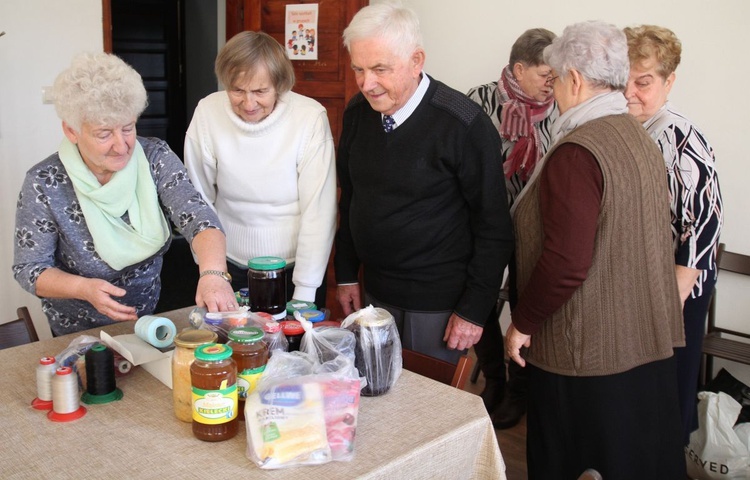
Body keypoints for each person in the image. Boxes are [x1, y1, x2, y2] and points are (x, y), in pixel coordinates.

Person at [505, 21, 686, 479]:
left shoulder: (578, 150)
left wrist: (522, 323)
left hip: (586, 352)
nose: (554, 91)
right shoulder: (636, 135)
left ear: (576, 80)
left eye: (556, 79)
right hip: (638, 340)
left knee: (574, 462)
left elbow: (566, 262)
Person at [334, 3, 514, 364]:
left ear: (416, 61)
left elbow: (494, 227)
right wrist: (345, 274)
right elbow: (351, 198)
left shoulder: (464, 125)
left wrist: (474, 309)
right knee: (377, 397)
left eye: (379, 69)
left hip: (438, 306)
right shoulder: (357, 112)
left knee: (428, 413)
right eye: (358, 69)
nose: (366, 83)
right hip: (376, 293)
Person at [13, 52, 237, 337]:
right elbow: (29, 268)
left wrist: (213, 275)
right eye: (104, 134)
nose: (122, 146)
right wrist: (84, 288)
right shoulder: (44, 182)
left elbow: (199, 218)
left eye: (128, 128)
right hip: (75, 331)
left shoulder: (154, 156)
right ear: (71, 131)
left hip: (149, 320)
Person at [184, 31, 337, 309]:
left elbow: (320, 210)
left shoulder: (309, 118)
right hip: (226, 263)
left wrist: (304, 291)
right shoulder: (207, 113)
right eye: (237, 90)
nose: (249, 103)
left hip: (295, 269)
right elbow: (197, 200)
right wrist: (209, 268)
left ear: (279, 85)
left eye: (260, 91)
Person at [625, 24, 724, 444]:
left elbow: (703, 225)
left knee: (668, 391)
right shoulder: (629, 129)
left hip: (676, 288)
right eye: (623, 81)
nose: (630, 92)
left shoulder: (682, 139)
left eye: (643, 82)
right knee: (638, 393)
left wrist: (671, 301)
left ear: (669, 82)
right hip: (640, 285)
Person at [467, 27, 557, 428]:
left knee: (526, 305)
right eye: (544, 74)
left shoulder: (563, 107)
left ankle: (520, 389)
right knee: (478, 300)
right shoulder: (479, 101)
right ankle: (493, 380)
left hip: (535, 227)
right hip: (485, 225)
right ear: (518, 69)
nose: (553, 82)